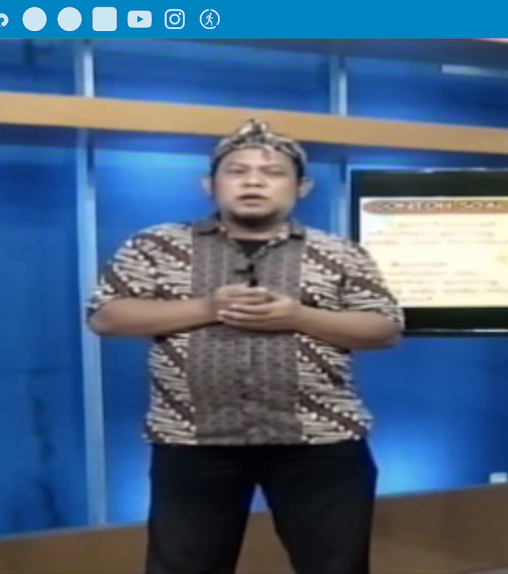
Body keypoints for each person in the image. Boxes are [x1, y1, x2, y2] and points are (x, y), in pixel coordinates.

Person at [86, 118, 404, 574]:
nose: (253, 181)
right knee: (183, 567)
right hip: (191, 438)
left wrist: (299, 317)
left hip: (320, 440)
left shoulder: (341, 253)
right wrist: (208, 307)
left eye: (272, 172)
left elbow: (384, 328)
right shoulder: (155, 245)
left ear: (302, 187)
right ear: (209, 185)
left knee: (336, 566)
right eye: (237, 171)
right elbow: (107, 316)